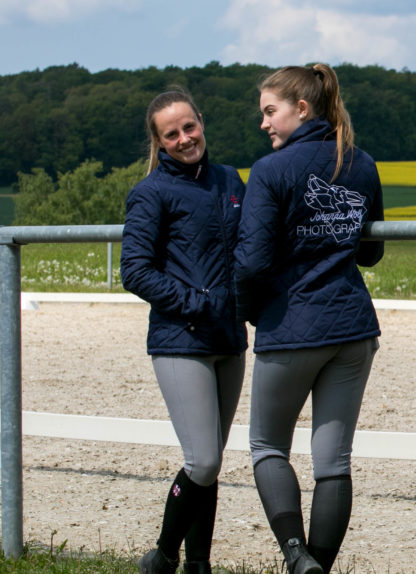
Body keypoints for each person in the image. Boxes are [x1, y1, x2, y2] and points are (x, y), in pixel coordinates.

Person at [235, 63, 384, 574]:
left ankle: (296, 557)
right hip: (353, 329)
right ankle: (317, 565)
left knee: (267, 445)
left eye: (269, 111)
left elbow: (251, 261)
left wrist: (249, 312)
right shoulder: (361, 163)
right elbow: (371, 254)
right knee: (333, 461)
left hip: (292, 326)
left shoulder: (271, 171)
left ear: (301, 109)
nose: (264, 124)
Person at [121, 88, 248, 574]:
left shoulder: (229, 180)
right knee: (202, 462)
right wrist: (195, 302)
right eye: (171, 133)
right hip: (181, 340)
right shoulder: (151, 192)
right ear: (159, 142)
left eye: (188, 126)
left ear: (201, 122)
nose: (184, 138)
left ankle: (199, 564)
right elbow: (134, 269)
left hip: (229, 341)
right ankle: (162, 557)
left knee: (210, 459)